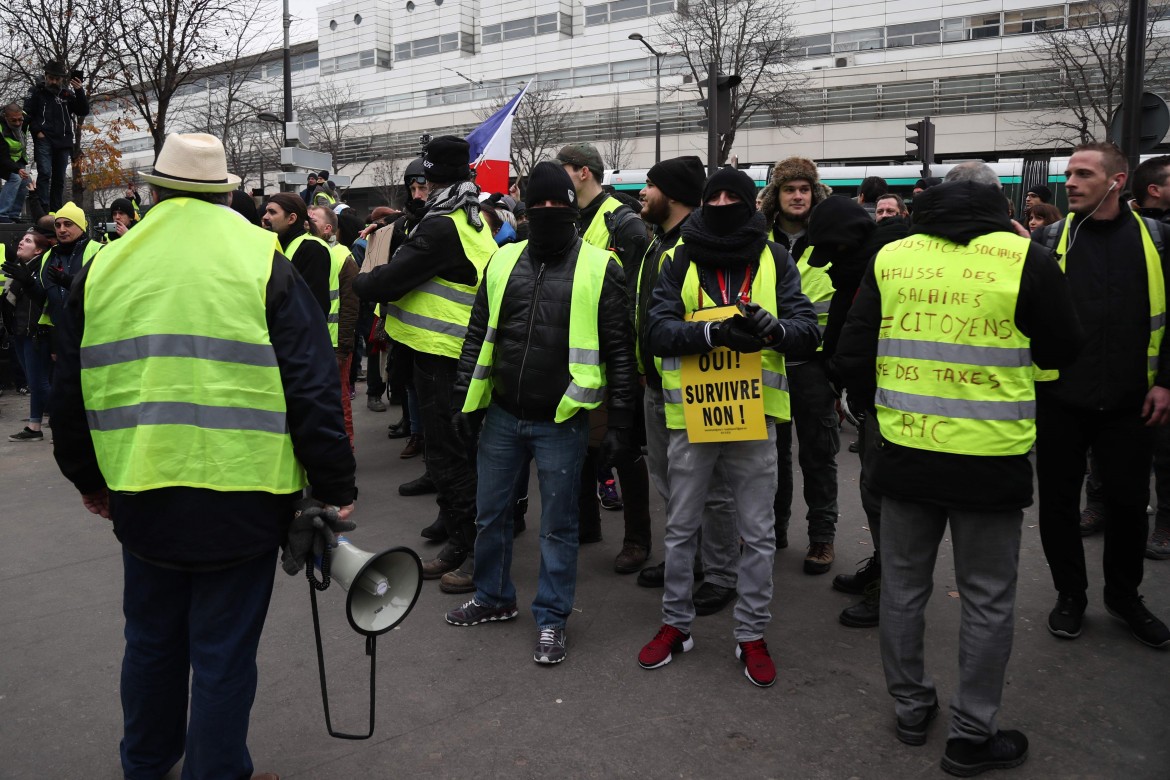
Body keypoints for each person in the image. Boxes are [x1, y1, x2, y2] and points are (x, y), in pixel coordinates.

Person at [48, 132, 356, 780]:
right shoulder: (260, 256)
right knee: (222, 654)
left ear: (153, 191)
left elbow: (68, 387)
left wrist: (86, 477)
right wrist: (333, 481)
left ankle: (146, 765)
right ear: (226, 193)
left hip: (141, 488)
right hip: (244, 493)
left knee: (152, 642)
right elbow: (311, 380)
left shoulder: (107, 261)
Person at [832, 162, 1082, 775]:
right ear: (1000, 203)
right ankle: (973, 734)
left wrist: (875, 411)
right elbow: (1063, 349)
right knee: (989, 600)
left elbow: (853, 351)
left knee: (904, 589)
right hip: (990, 462)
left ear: (931, 203)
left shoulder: (893, 256)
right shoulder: (1025, 258)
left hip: (905, 452)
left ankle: (912, 708)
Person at [445, 161, 636, 665]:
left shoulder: (601, 265)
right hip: (503, 414)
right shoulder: (503, 261)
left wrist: (620, 424)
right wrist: (465, 402)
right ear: (526, 208)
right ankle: (493, 597)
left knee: (558, 525)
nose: (547, 212)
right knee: (491, 516)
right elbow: (477, 338)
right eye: (538, 205)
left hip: (562, 420)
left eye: (557, 204)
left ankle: (551, 618)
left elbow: (620, 351)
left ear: (572, 209)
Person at [638, 167, 819, 688]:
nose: (720, 203)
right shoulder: (679, 258)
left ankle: (751, 634)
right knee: (680, 527)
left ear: (748, 203)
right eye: (712, 196)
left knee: (758, 535)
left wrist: (773, 329)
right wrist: (715, 332)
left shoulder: (776, 257)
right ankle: (676, 625)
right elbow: (658, 330)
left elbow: (807, 331)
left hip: (754, 418)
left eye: (731, 196)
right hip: (693, 416)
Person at [1033, 142, 1170, 650]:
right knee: (1059, 506)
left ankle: (1124, 596)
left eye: (1084, 174)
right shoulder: (1047, 240)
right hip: (1061, 399)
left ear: (1116, 181)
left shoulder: (1158, 241)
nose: (1069, 182)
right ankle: (1071, 595)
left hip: (1132, 401)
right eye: (1068, 173)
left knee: (1131, 505)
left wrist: (1166, 382)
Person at [353, 135, 497, 583]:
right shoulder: (468, 216)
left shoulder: (440, 227)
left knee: (449, 454)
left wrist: (363, 278)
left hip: (443, 356)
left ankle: (466, 548)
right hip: (458, 354)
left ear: (430, 177)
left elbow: (387, 283)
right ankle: (459, 529)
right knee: (457, 450)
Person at [634, 155, 744, 616]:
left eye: (650, 185)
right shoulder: (658, 242)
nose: (643, 193)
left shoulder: (698, 246)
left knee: (712, 488)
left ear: (673, 194)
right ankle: (689, 558)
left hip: (697, 386)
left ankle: (721, 573)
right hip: (657, 385)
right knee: (668, 481)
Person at [555, 142, 653, 572]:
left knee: (624, 448)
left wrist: (632, 361)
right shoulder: (573, 217)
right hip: (580, 352)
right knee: (580, 443)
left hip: (617, 355)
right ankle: (587, 525)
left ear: (582, 172)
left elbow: (639, 294)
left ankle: (637, 539)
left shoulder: (623, 222)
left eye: (564, 170)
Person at [758, 156, 840, 573]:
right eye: (789, 189)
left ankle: (822, 538)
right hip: (772, 359)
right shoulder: (760, 240)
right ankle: (774, 529)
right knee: (773, 454)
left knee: (818, 453)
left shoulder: (833, 237)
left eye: (804, 189)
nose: (797, 196)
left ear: (814, 193)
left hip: (814, 364)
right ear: (777, 194)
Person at [309, 204, 361, 448]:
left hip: (334, 343)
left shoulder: (343, 257)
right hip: (316, 341)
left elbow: (351, 307)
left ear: (327, 228)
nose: (308, 220)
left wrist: (344, 347)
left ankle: (346, 447)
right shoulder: (308, 251)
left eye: (314, 218)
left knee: (339, 399)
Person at [0, 229, 53, 440]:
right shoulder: (22, 268)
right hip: (20, 331)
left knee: (39, 382)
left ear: (39, 250)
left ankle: (70, 420)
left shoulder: (41, 268)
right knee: (35, 382)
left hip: (34, 332)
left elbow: (41, 300)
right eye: (22, 239)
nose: (21, 243)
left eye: (28, 241)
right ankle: (34, 426)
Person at [24, 61, 89, 212]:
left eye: (57, 79)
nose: (54, 82)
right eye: (51, 78)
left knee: (59, 178)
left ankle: (55, 210)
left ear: (62, 79)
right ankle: (43, 209)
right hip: (44, 139)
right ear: (46, 76)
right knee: (45, 173)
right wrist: (37, 132)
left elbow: (83, 110)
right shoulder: (35, 91)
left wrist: (79, 91)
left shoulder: (67, 94)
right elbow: (27, 113)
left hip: (63, 141)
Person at [261, 192, 331, 316]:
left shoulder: (312, 249)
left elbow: (312, 306)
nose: (265, 217)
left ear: (292, 218)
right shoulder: (275, 244)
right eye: (266, 211)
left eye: (272, 212)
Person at [0, 103, 31, 223]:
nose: (18, 123)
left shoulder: (26, 119)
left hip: (16, 159)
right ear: (5, 117)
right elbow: (2, 158)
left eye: (20, 120)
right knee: (15, 178)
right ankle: (2, 213)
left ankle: (13, 215)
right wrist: (17, 170)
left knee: (26, 182)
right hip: (2, 158)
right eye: (13, 121)